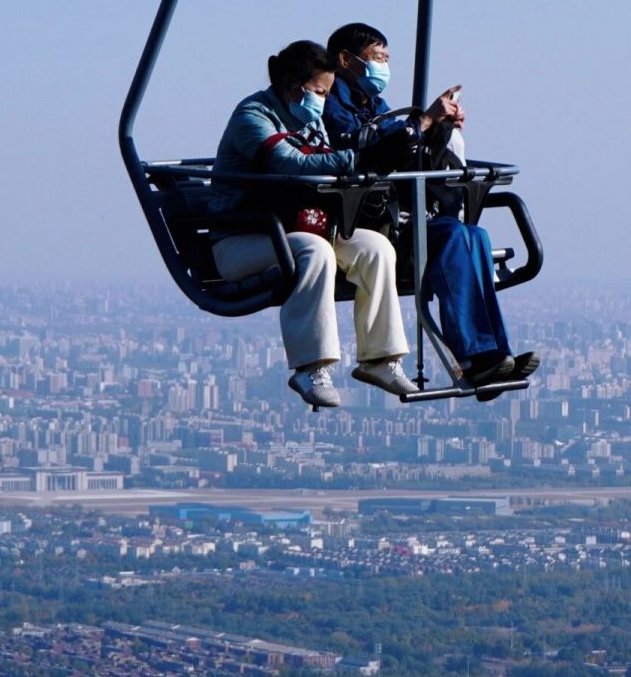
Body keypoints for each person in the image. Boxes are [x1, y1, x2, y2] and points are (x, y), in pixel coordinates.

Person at [323, 21, 539, 388]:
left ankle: (493, 354)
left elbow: (411, 155)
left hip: (401, 219)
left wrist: (443, 129)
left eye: (386, 59)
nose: (383, 67)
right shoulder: (332, 105)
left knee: (475, 236)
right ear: (346, 59)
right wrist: (423, 121)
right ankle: (476, 357)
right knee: (455, 237)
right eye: (376, 58)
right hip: (367, 224)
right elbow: (368, 152)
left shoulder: (375, 105)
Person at [210, 39, 418, 409]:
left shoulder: (310, 119)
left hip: (299, 227)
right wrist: (356, 160)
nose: (322, 100)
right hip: (244, 240)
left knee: (376, 248)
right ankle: (311, 365)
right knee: (315, 249)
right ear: (294, 87)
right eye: (319, 91)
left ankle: (380, 359)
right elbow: (289, 164)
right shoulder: (252, 117)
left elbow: (324, 160)